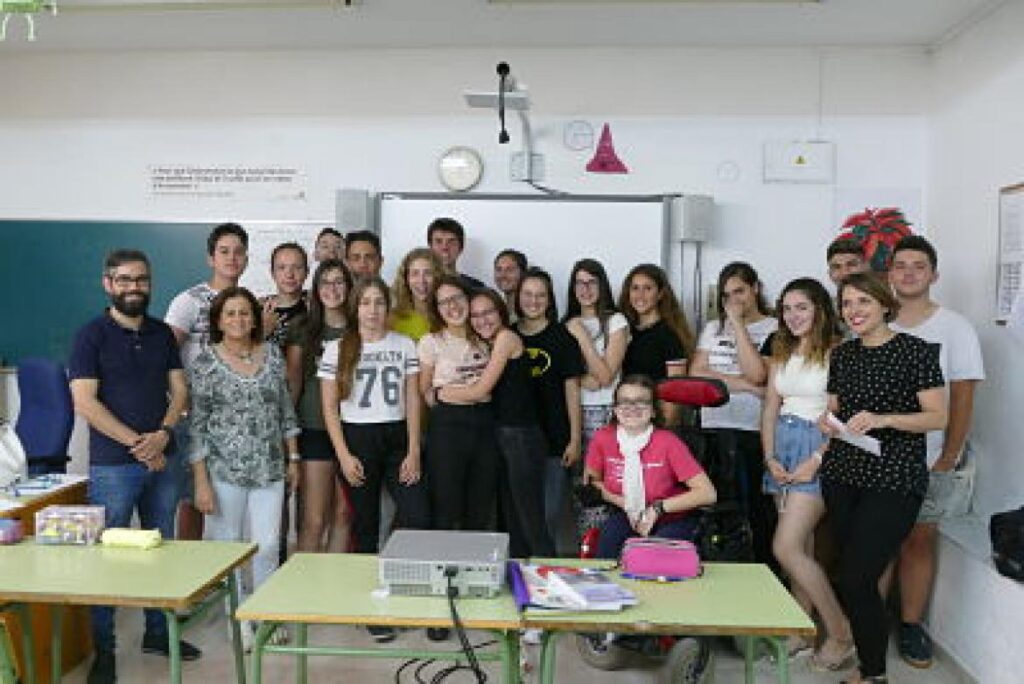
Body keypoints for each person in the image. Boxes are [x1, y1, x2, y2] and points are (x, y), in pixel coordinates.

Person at [69, 250, 198, 684]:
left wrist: (163, 434)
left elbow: (179, 391)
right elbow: (85, 402)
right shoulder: (91, 336)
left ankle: (158, 634)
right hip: (114, 467)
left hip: (164, 458)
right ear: (108, 284)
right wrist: (140, 445)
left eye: (141, 280)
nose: (133, 287)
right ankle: (104, 650)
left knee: (161, 548)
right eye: (124, 280)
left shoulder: (161, 333)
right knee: (107, 557)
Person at [819, 271, 946, 684]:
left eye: (863, 301)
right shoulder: (843, 355)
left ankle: (873, 674)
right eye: (847, 303)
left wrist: (884, 419)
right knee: (854, 577)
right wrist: (827, 421)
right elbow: (835, 408)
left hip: (894, 479)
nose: (853, 310)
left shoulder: (915, 351)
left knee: (857, 578)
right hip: (843, 475)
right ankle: (870, 670)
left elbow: (938, 417)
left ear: (884, 304)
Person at [887, 235, 984, 669]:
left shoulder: (955, 328)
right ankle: (868, 624)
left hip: (928, 454)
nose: (909, 273)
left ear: (934, 274)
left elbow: (963, 397)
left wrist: (948, 455)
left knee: (918, 540)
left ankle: (911, 624)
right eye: (901, 265)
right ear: (889, 274)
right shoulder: (873, 319)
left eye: (919, 266)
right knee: (873, 542)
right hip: (873, 454)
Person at [187, 286, 300, 651]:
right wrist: (201, 481)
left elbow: (284, 410)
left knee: (268, 545)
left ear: (255, 319)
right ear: (218, 321)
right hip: (224, 471)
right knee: (229, 548)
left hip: (270, 467)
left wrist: (294, 458)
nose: (238, 319)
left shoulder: (273, 356)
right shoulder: (205, 363)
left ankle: (265, 614)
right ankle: (238, 619)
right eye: (230, 313)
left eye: (245, 313)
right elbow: (197, 426)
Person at [319, 277, 429, 643]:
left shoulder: (404, 344)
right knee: (366, 526)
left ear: (388, 307)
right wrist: (343, 455)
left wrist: (413, 449)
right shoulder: (337, 348)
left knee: (417, 515)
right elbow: (329, 408)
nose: (372, 310)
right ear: (355, 307)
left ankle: (407, 594)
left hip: (397, 439)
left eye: (379, 302)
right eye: (365, 302)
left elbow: (412, 399)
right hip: (357, 439)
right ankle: (369, 608)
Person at [760, 278, 853, 668]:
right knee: (801, 549)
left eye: (801, 307)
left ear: (820, 309)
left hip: (817, 448)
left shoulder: (838, 351)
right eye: (786, 308)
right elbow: (770, 407)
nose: (793, 315)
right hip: (782, 445)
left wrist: (816, 458)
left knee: (786, 546)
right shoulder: (782, 349)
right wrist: (769, 456)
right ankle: (801, 630)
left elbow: (840, 417)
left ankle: (841, 632)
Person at [436, 289, 554, 558]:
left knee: (530, 519)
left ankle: (548, 572)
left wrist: (441, 393)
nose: (482, 320)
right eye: (475, 315)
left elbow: (481, 391)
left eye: (488, 312)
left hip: (522, 437)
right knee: (512, 521)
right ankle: (519, 575)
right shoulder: (486, 344)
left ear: (501, 312)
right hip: (502, 435)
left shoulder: (506, 339)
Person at [690, 262, 777, 569]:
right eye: (727, 296)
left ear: (755, 289)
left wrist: (738, 326)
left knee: (754, 508)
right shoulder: (713, 328)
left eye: (739, 291)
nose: (734, 301)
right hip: (713, 425)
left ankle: (761, 569)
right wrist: (746, 387)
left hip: (751, 428)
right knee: (716, 506)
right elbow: (697, 372)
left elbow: (758, 374)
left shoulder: (774, 327)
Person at [165, 222, 248, 541]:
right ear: (211, 258)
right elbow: (165, 356)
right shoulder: (189, 301)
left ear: (246, 259)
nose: (231, 258)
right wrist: (179, 401)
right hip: (195, 414)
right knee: (192, 498)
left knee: (227, 498)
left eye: (238, 252)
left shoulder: (247, 302)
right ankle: (190, 564)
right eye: (224, 252)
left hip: (233, 418)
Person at [584, 375, 716, 559]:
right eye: (625, 401)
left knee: (653, 552)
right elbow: (592, 483)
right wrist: (625, 504)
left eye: (641, 402)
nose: (632, 408)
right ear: (615, 409)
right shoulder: (603, 438)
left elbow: (708, 494)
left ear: (653, 411)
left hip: (672, 517)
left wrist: (656, 509)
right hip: (628, 513)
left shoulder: (668, 442)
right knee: (609, 539)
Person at [418, 275, 498, 533]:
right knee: (446, 505)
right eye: (444, 302)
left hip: (486, 425)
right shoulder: (431, 342)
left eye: (457, 298)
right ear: (437, 309)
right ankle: (443, 557)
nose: (452, 306)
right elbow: (425, 391)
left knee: (480, 505)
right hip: (448, 427)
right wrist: (449, 397)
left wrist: (450, 392)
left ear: (468, 298)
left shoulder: (487, 335)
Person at [286, 259, 354, 554]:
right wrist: (287, 435)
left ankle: (335, 580)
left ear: (349, 287)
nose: (332, 289)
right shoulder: (303, 328)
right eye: (325, 282)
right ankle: (304, 581)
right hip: (314, 427)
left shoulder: (361, 326)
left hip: (353, 429)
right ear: (315, 289)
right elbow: (294, 382)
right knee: (314, 519)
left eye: (339, 281)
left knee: (343, 513)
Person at [516, 267, 585, 552]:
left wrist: (575, 438)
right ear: (518, 296)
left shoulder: (562, 337)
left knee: (548, 515)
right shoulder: (507, 335)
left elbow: (572, 389)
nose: (533, 301)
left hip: (554, 439)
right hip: (516, 443)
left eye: (540, 295)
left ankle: (545, 571)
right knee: (519, 518)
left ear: (550, 299)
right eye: (527, 294)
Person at [565, 258, 630, 449]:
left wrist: (582, 337)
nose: (585, 289)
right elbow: (562, 375)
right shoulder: (567, 323)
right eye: (580, 283)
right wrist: (582, 379)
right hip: (572, 408)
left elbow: (605, 377)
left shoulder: (616, 321)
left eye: (592, 282)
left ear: (602, 286)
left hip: (606, 408)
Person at [618, 264, 694, 425]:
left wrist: (662, 430)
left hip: (655, 421)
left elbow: (675, 392)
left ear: (660, 294)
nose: (640, 295)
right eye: (635, 288)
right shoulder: (624, 330)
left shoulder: (670, 335)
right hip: (627, 419)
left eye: (648, 288)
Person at [390, 247, 444, 342]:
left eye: (428, 273)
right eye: (415, 274)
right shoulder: (393, 319)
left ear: (437, 277)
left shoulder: (448, 315)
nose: (421, 281)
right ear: (406, 279)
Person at [262, 242, 309, 346]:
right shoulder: (258, 309)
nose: (289, 275)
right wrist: (263, 332)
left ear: (307, 272)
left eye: (297, 267)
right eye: (281, 267)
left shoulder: (316, 307)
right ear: (272, 273)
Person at [427, 217, 484, 289]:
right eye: (438, 241)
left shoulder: (476, 287)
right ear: (430, 247)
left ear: (461, 247)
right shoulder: (421, 285)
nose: (445, 247)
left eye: (451, 241)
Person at [493, 248, 527, 321]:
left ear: (523, 273)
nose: (503, 275)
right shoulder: (496, 308)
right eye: (499, 269)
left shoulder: (530, 309)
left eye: (510, 270)